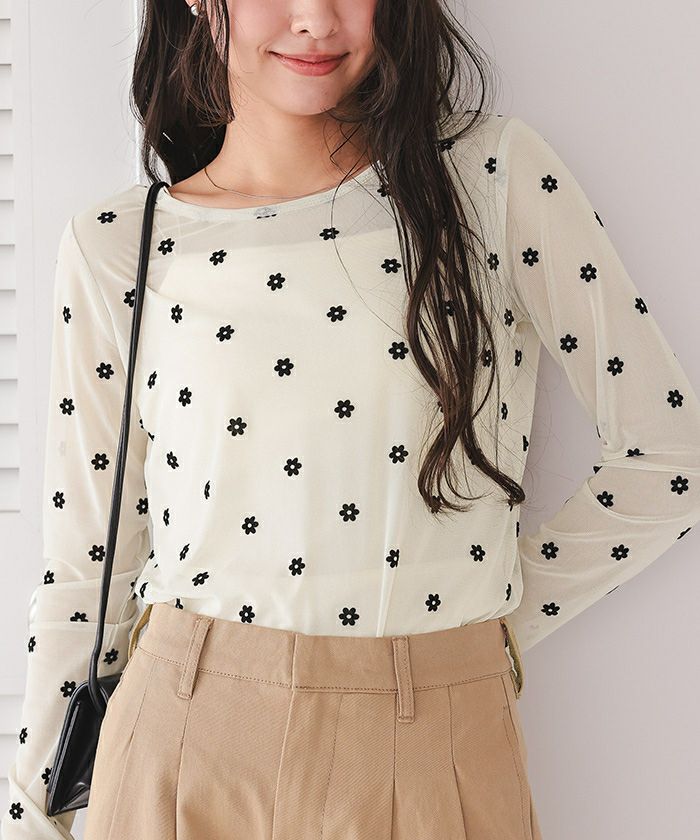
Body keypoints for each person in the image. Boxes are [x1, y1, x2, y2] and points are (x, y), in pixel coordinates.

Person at [4, 0, 700, 838]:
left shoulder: (489, 178)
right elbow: (88, 570)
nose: (315, 18)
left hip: (436, 740)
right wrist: (31, 819)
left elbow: (669, 456)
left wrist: (480, 633)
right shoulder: (121, 245)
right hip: (182, 739)